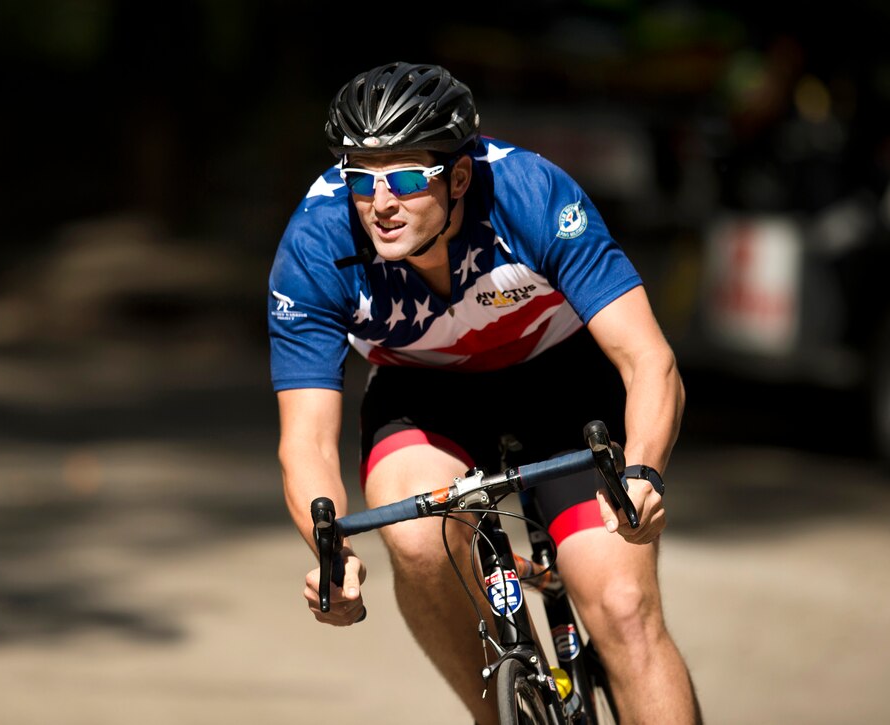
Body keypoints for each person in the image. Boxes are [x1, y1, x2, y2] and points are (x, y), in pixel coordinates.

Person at [268, 61, 701, 724]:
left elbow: (648, 359)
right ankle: (496, 712)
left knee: (624, 611)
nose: (382, 202)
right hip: (424, 394)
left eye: (409, 177)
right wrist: (331, 553)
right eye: (363, 178)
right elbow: (305, 437)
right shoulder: (317, 241)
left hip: (562, 380)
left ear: (460, 176)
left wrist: (642, 471)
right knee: (413, 538)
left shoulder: (529, 192)